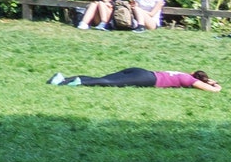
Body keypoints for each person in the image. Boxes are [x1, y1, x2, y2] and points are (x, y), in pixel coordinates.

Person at [49, 68, 220, 90]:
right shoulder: (189, 81)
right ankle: (70, 83)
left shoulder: (183, 74)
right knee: (109, 83)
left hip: (142, 71)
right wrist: (216, 85)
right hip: (148, 79)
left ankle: (62, 78)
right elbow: (213, 91)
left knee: (103, 77)